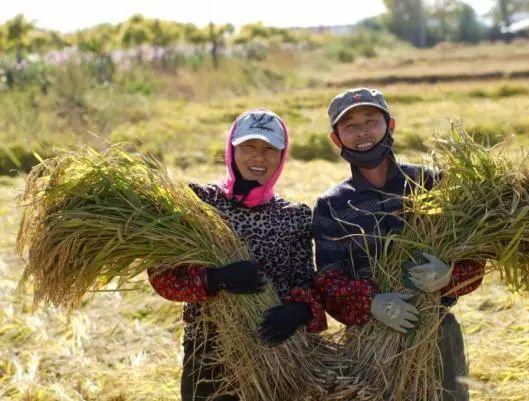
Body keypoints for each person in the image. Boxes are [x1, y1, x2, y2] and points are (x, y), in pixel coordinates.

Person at [310, 88, 485, 401]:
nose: (362, 132)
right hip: (370, 342)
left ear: (390, 126)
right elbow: (328, 282)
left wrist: (449, 277)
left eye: (371, 121)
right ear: (336, 139)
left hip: (437, 333)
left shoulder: (433, 184)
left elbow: (474, 258)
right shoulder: (332, 205)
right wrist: (371, 303)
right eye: (349, 126)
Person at [147, 109, 326, 401]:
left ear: (282, 157)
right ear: (232, 149)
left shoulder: (294, 216)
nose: (259, 157)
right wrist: (216, 279)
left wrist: (299, 312)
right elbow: (162, 276)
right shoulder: (200, 204)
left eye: (269, 149)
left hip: (276, 356)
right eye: (249, 147)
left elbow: (307, 285)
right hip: (210, 355)